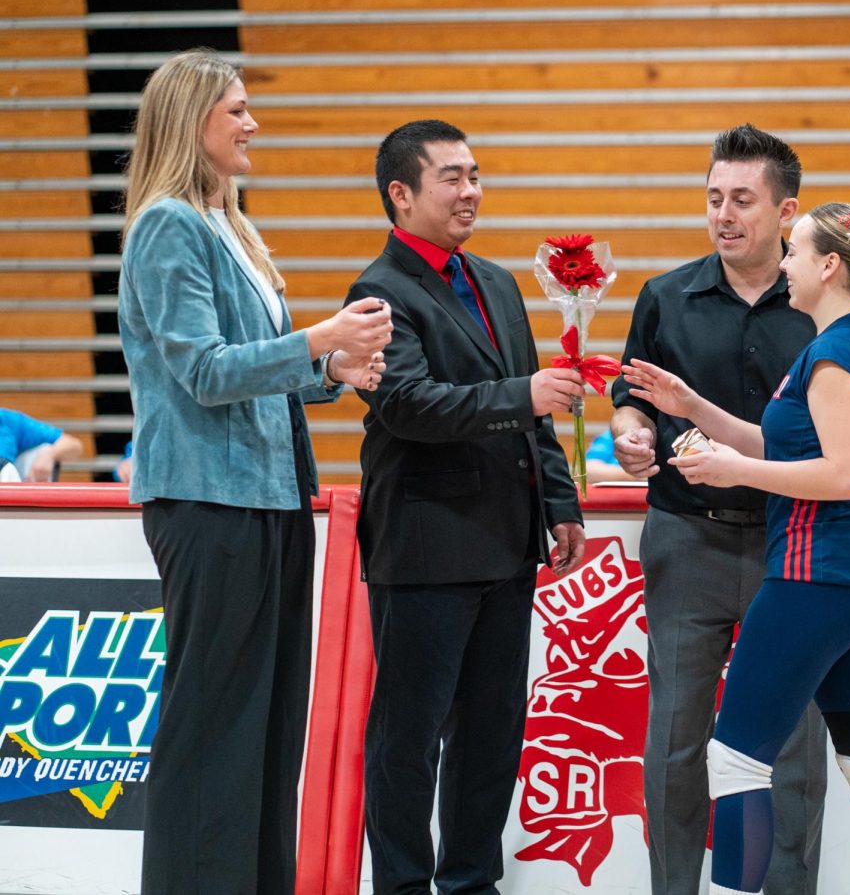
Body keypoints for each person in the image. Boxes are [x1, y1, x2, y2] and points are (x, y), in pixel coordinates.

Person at [117, 49, 392, 894]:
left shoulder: (230, 225)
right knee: (214, 727)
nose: (252, 123)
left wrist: (327, 374)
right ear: (191, 118)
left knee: (270, 723)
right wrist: (320, 339)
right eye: (236, 109)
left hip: (268, 498)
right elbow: (203, 370)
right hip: (205, 498)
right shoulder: (168, 225)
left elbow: (250, 368)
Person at [622, 202, 850, 895]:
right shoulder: (849, 345)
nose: (784, 265)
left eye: (794, 252)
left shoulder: (834, 353)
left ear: (829, 266)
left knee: (735, 763)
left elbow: (842, 475)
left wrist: (735, 473)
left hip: (813, 576)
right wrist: (691, 404)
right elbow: (786, 446)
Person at [347, 119, 586, 895]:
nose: (470, 191)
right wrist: (523, 395)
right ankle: (404, 886)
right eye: (451, 177)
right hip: (424, 550)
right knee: (407, 743)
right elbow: (407, 405)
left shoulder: (496, 281)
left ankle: (473, 883)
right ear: (401, 193)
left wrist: (560, 502)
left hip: (505, 547)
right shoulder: (378, 293)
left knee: (491, 740)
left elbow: (536, 415)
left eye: (475, 174)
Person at [610, 123, 827, 895]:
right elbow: (627, 407)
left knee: (796, 746)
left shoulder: (823, 308)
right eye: (713, 198)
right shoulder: (665, 295)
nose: (723, 214)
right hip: (685, 542)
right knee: (674, 743)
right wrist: (631, 437)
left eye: (742, 199)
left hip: (792, 544)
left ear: (785, 210)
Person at [0, 407, 84, 480]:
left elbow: (73, 445)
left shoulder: (10, 421)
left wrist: (50, 453)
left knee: (46, 448)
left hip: (8, 493)